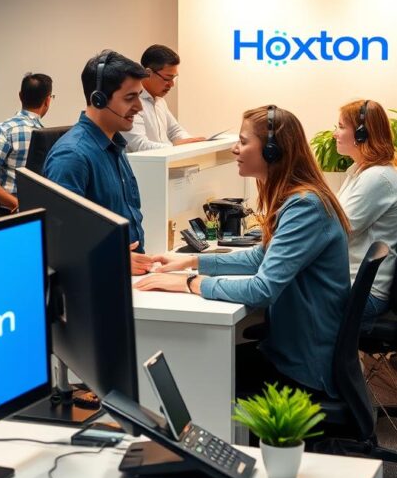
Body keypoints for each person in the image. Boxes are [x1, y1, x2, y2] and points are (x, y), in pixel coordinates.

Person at [136, 105, 351, 399]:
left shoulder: (305, 206)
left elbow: (262, 290)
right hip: (294, 351)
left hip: (305, 369)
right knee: (198, 366)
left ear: (273, 151)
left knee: (197, 378)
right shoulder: (295, 198)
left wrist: (188, 284)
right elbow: (260, 258)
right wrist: (191, 260)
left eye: (244, 141)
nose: (236, 149)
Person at [44, 50, 156, 276]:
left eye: (139, 96)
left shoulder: (114, 145)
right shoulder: (71, 156)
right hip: (99, 286)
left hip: (127, 281)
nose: (139, 107)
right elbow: (59, 242)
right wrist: (113, 258)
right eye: (129, 98)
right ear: (98, 99)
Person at [334, 99, 397, 325]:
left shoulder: (376, 178)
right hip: (352, 286)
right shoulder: (360, 172)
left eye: (341, 126)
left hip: (364, 295)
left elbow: (337, 232)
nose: (335, 133)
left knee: (284, 299)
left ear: (361, 134)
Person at [0, 73, 53, 214]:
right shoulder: (46, 135)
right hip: (23, 214)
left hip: (10, 213)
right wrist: (19, 205)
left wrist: (17, 205)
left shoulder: (5, 130)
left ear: (20, 96)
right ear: (47, 101)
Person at [123, 44, 205, 151]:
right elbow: (139, 145)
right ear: (148, 73)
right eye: (167, 78)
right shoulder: (132, 101)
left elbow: (175, 131)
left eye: (174, 78)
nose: (171, 84)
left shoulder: (160, 100)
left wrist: (190, 141)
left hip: (164, 164)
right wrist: (174, 147)